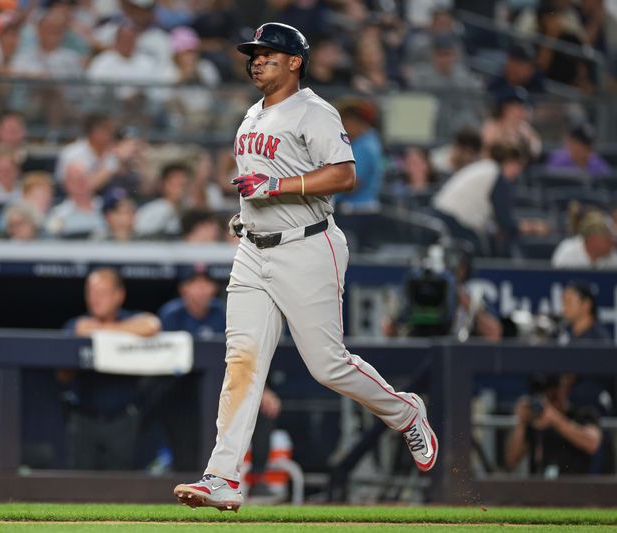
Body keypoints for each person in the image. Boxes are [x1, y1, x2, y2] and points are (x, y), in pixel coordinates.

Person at [173, 23, 438, 512]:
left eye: (268, 54)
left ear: (295, 62)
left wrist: (273, 191)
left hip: (308, 247)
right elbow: (258, 185)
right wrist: (248, 215)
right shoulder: (251, 116)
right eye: (253, 55)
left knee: (328, 366)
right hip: (254, 251)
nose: (256, 61)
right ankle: (224, 477)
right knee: (242, 362)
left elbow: (344, 174)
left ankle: (406, 413)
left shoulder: (314, 111)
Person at [59, 267, 161, 470]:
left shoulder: (129, 319)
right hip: (84, 418)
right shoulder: (76, 324)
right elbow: (62, 375)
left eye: (102, 293)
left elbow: (152, 325)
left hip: (122, 419)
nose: (95, 298)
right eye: (91, 292)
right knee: (81, 486)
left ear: (118, 295)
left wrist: (101, 331)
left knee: (120, 486)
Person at [505, 374, 603, 476]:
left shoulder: (582, 413)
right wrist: (521, 423)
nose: (546, 399)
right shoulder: (535, 422)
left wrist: (555, 419)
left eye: (553, 394)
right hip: (541, 487)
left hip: (576, 486)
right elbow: (511, 461)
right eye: (543, 394)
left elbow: (592, 444)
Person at [332, 98, 383, 213]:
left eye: (343, 123)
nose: (342, 128)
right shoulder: (366, 142)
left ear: (353, 121)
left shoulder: (364, 146)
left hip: (358, 212)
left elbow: (351, 184)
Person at [134, 162, 190, 238]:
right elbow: (139, 233)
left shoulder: (189, 209)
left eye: (183, 185)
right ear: (163, 184)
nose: (180, 189)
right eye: (176, 184)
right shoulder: (151, 211)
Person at [551, 210, 617, 269]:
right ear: (593, 239)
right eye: (608, 238)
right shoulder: (567, 251)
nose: (612, 242)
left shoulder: (613, 255)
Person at [545, 123, 612, 179]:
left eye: (588, 145)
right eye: (581, 144)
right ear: (570, 142)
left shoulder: (597, 163)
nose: (587, 148)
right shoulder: (558, 161)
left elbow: (607, 186)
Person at [557, 280, 611, 345]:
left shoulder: (597, 340)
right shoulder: (571, 335)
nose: (564, 309)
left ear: (586, 304)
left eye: (569, 302)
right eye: (563, 303)